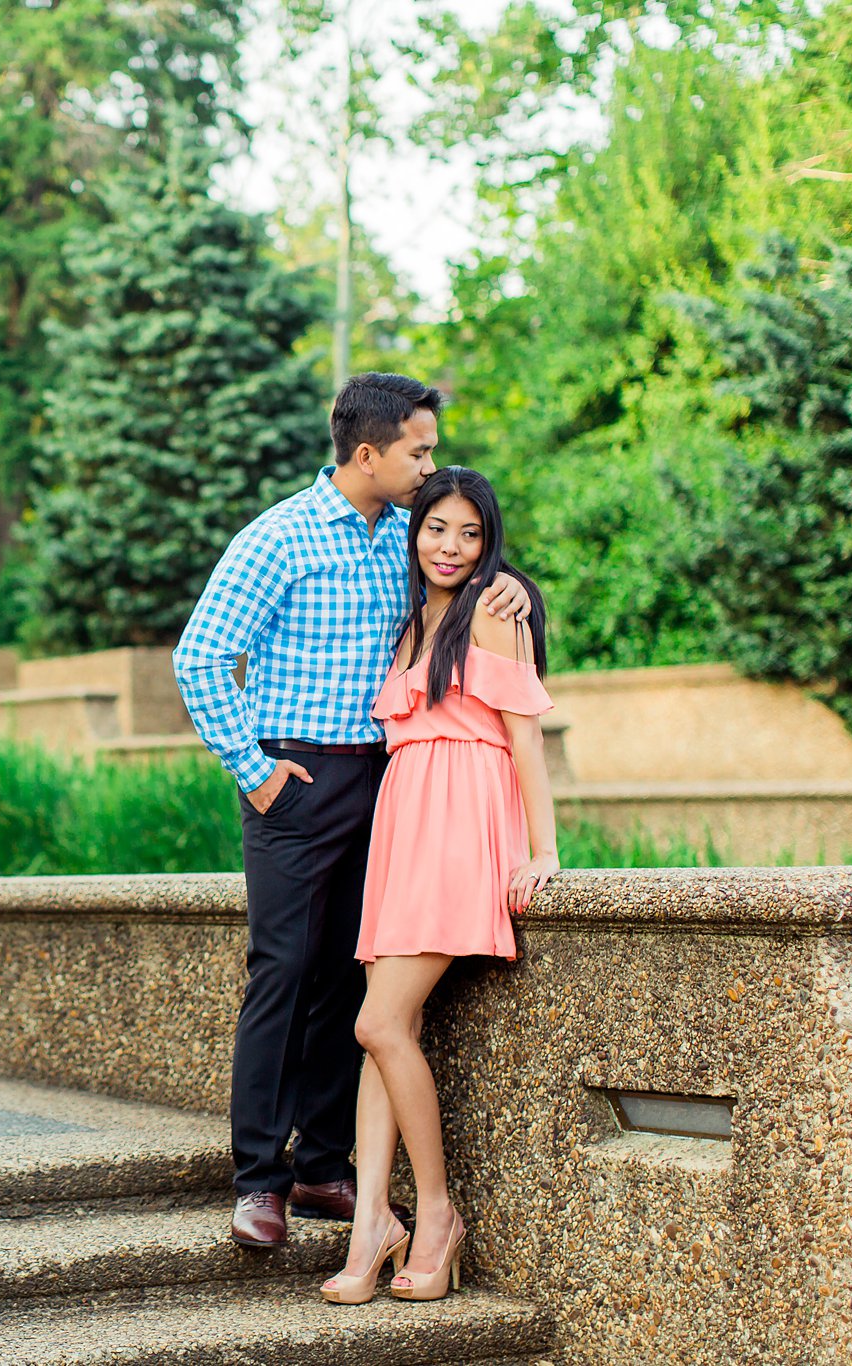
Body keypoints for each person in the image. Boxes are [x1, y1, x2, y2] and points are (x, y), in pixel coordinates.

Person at [173, 373, 531, 1251]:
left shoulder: (398, 536)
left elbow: (455, 572)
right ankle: (258, 1178)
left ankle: (324, 1164)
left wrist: (509, 584)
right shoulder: (280, 537)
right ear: (368, 453)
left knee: (348, 977)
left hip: (389, 781)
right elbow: (199, 657)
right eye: (419, 448)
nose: (430, 462)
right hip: (295, 779)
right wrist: (252, 771)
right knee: (284, 974)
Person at [317, 465, 559, 1306]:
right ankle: (371, 1224)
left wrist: (544, 851)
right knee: (389, 1030)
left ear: (488, 543)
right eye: (435, 529)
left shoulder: (495, 615)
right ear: (411, 532)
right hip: (405, 822)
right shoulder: (407, 622)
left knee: (378, 1022)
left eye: (469, 533)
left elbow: (526, 739)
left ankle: (439, 1215)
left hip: (462, 821)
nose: (450, 547)